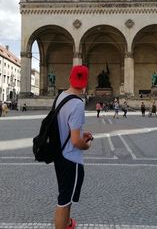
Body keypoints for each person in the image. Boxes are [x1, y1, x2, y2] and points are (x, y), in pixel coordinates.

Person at [54, 65, 93, 229]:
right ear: (85, 82)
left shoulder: (61, 97)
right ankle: (64, 224)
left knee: (66, 197)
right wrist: (87, 145)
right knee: (64, 201)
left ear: (70, 78)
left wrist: (79, 134)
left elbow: (65, 128)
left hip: (59, 155)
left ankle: (68, 223)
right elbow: (76, 141)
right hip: (71, 158)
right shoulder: (77, 104)